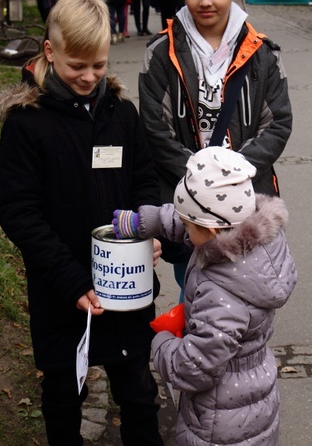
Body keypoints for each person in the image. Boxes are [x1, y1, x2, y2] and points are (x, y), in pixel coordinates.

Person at [0, 0, 164, 446]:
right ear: (50, 52)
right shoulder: (26, 124)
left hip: (125, 286)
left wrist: (147, 230)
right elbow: (17, 210)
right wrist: (70, 281)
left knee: (139, 394)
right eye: (77, 66)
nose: (90, 77)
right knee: (65, 396)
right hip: (61, 290)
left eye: (100, 65)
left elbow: (145, 180)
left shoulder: (122, 115)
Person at [112, 145, 298, 446]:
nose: (184, 229)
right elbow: (192, 217)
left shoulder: (220, 291)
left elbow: (194, 367)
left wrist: (162, 344)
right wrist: (143, 222)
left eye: (188, 226)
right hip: (253, 393)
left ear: (211, 231)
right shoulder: (251, 237)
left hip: (220, 420)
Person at [139, 0, 292, 300]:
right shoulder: (161, 53)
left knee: (251, 291)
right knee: (192, 290)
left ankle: (243, 356)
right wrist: (199, 178)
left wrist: (231, 176)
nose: (205, 2)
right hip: (189, 206)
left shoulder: (263, 55)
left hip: (247, 200)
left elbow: (278, 124)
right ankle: (195, 354)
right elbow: (154, 127)